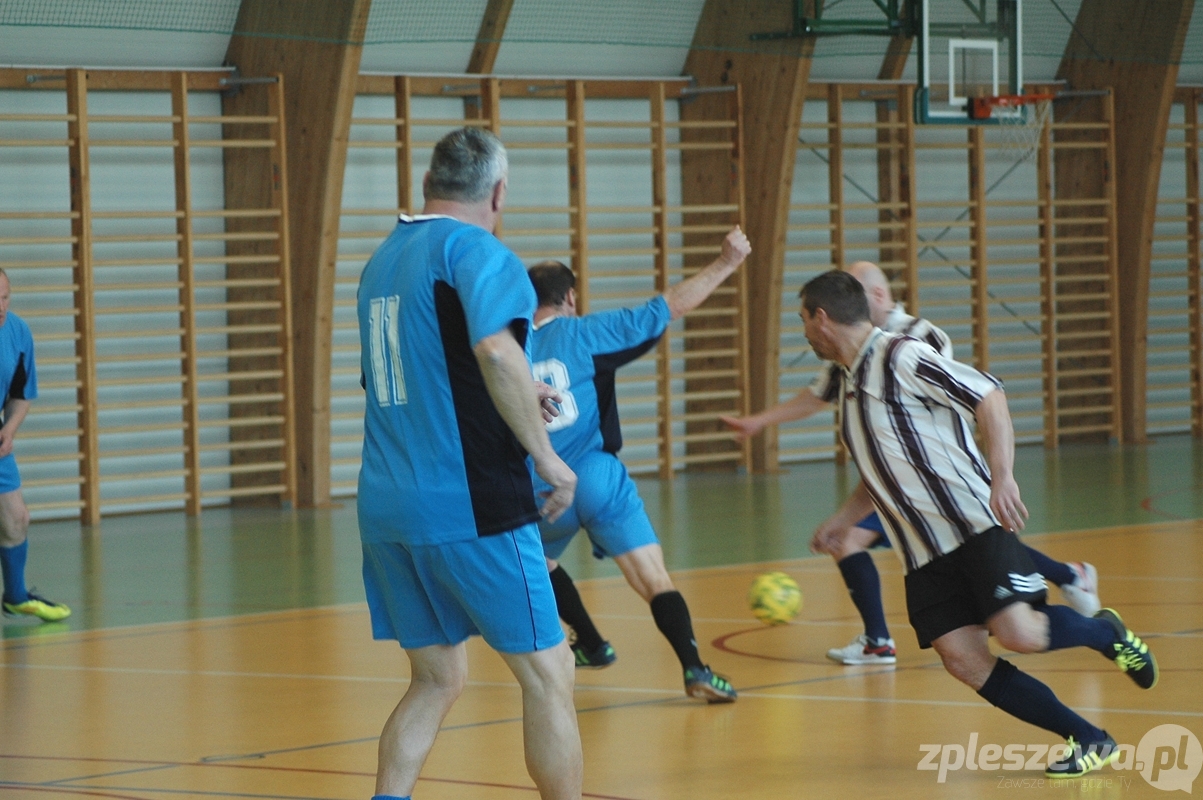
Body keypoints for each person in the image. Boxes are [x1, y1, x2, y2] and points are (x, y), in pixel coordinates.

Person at [796, 269, 1156, 777]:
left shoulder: (900, 355)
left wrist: (1002, 476)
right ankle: (1090, 738)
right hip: (921, 554)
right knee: (964, 661)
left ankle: (1105, 632)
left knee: (1019, 634)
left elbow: (988, 395)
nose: (804, 332)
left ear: (822, 317)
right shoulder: (850, 385)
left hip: (971, 526)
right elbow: (880, 470)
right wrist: (841, 521)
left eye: (803, 320)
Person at [721, 261, 1098, 666]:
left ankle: (1070, 581)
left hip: (937, 477)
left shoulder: (914, 341)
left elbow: (961, 398)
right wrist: (760, 421)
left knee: (972, 550)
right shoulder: (850, 356)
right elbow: (818, 395)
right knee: (876, 542)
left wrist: (1001, 474)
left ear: (876, 296)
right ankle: (879, 639)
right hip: (896, 478)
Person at [357, 127, 582, 800]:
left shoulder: (383, 259)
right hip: (471, 504)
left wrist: (517, 386)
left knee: (435, 678)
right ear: (499, 192)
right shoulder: (478, 251)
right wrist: (547, 457)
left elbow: (419, 371)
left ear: (429, 182)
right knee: (550, 673)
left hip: (387, 506)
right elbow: (492, 350)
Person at [527, 226, 751, 703]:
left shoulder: (507, 349)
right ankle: (695, 669)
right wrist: (726, 263)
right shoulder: (583, 333)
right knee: (653, 579)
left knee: (541, 563)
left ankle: (592, 644)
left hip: (541, 486)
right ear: (570, 297)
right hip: (595, 477)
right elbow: (668, 306)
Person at [0, 268, 70, 623]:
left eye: (5, 297)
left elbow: (19, 394)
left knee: (16, 519)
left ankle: (15, 597)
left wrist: (9, 430)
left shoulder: (18, 332)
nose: (0, 306)